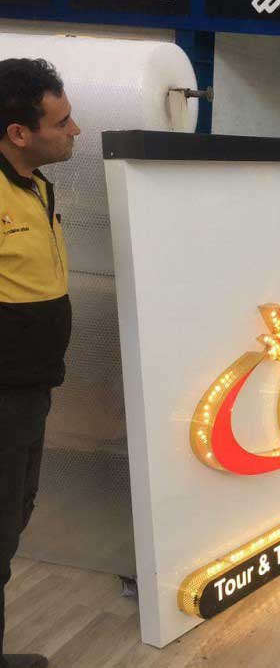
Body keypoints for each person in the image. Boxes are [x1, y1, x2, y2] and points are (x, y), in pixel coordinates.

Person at [0, 59, 79, 668]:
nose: (74, 130)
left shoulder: (36, 185)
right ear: (19, 132)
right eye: (62, 121)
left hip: (31, 388)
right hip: (2, 395)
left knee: (14, 517)